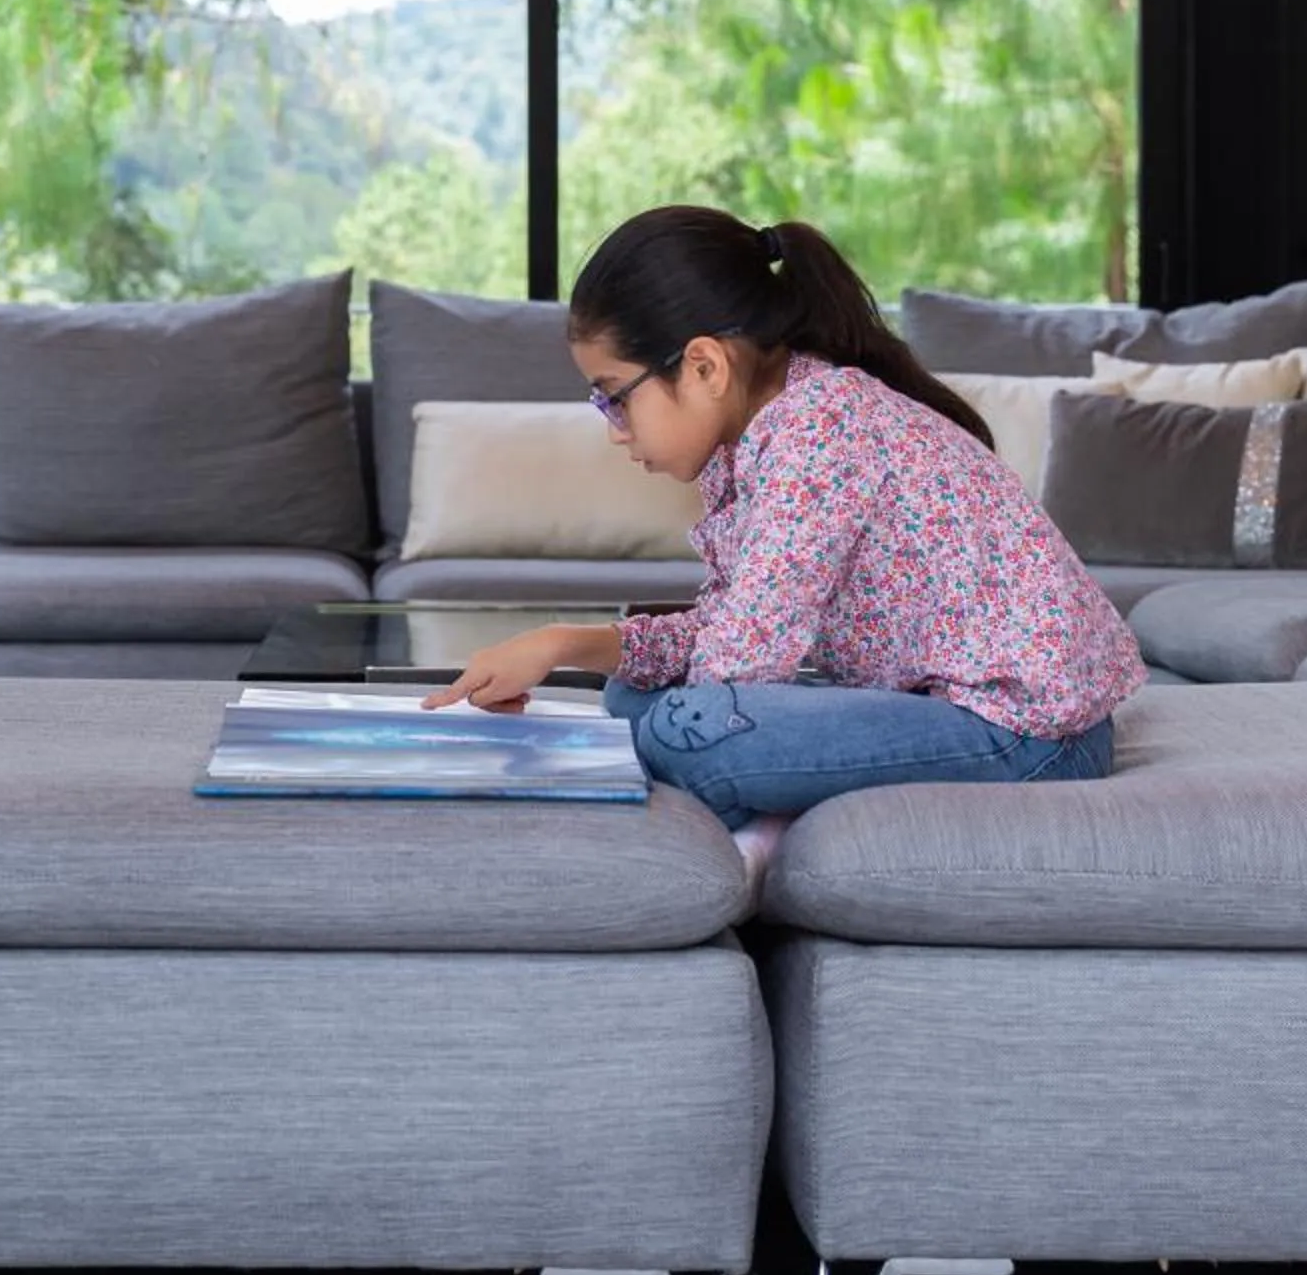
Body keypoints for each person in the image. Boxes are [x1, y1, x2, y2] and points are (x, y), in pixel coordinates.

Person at [423, 205, 1144, 830]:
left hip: (1030, 735)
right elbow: (735, 629)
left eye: (614, 395)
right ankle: (757, 802)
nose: (613, 426)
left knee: (683, 730)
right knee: (632, 695)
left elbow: (740, 664)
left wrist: (632, 685)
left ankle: (756, 837)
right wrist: (564, 644)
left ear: (704, 367)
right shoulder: (765, 438)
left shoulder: (821, 427)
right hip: (962, 709)